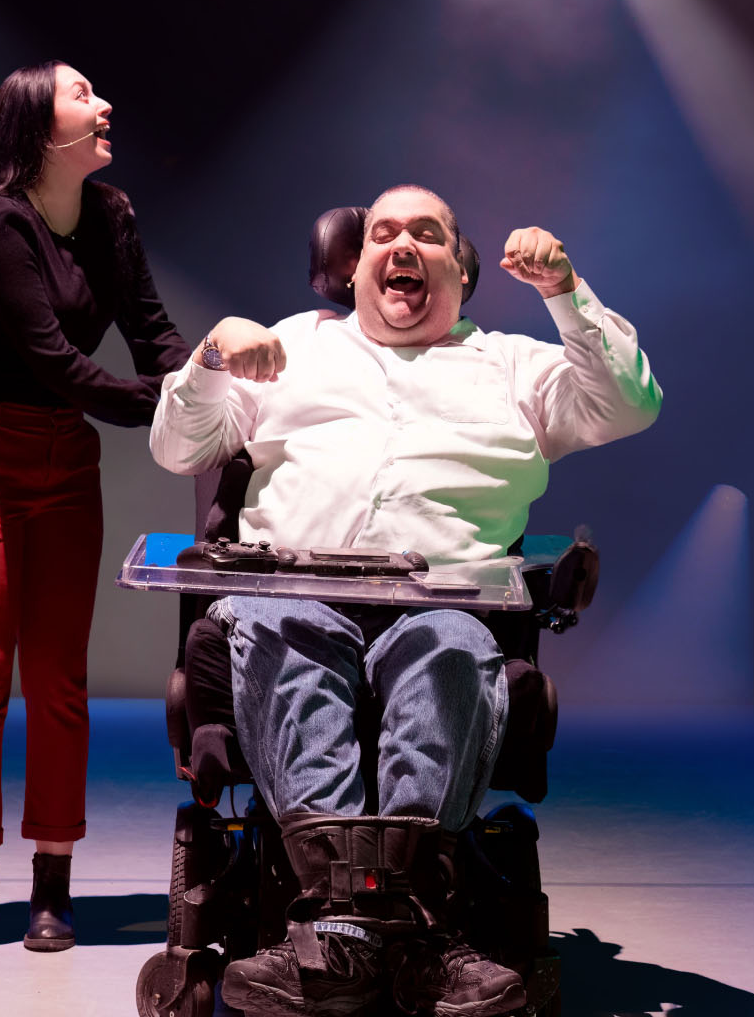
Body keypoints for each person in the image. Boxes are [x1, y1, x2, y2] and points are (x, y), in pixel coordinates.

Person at [150, 184, 660, 1016]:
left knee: (449, 645)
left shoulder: (514, 365)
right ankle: (377, 935)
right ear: (352, 269)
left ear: (461, 268)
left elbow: (631, 404)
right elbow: (178, 447)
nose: (404, 246)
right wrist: (209, 359)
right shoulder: (291, 347)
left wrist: (565, 293)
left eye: (428, 234)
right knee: (285, 628)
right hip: (295, 597)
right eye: (384, 233)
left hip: (446, 606)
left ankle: (370, 936)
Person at [0, 60, 190, 962]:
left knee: (58, 679)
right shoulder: (2, 222)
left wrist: (203, 387)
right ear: (41, 130)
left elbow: (153, 332)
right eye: (84, 95)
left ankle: (51, 883)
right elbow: (56, 364)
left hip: (63, 458)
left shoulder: (111, 217)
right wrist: (163, 405)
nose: (106, 102)